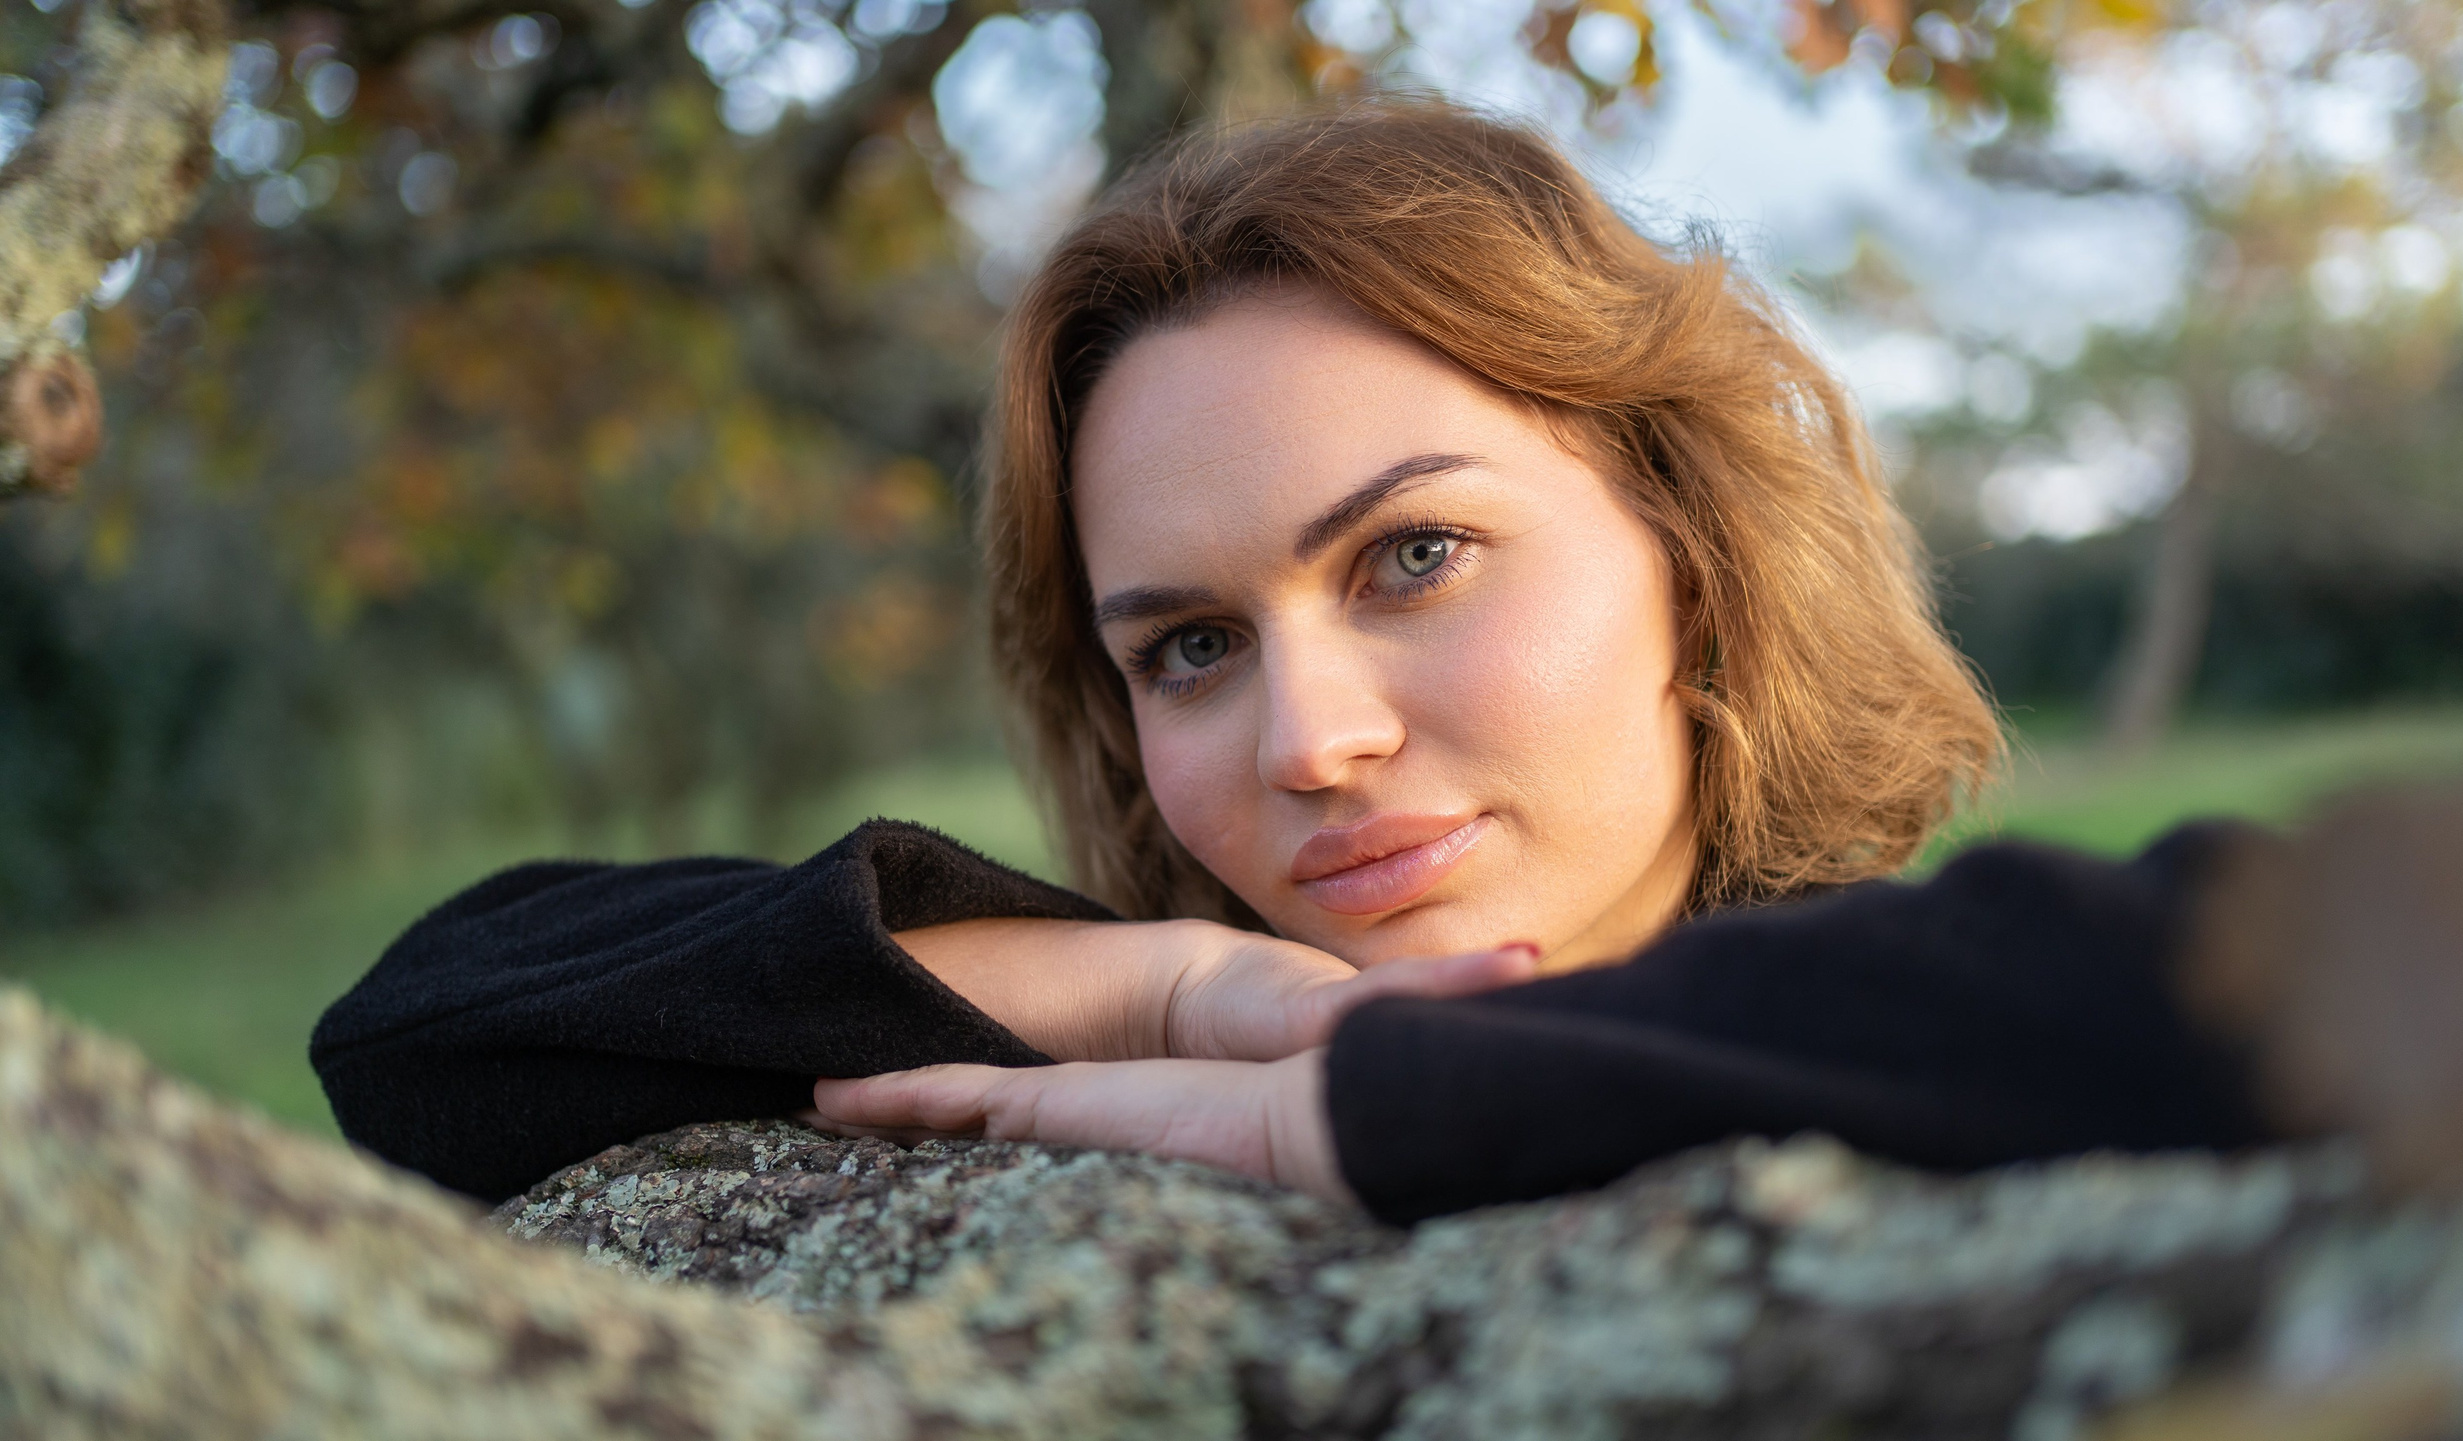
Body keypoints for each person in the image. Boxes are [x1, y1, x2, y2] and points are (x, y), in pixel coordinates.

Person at [312, 102, 2274, 1221]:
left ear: (1687, 552)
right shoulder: (1159, 1067)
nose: (1310, 739)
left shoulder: (1957, 1012)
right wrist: (1157, 979)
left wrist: (1426, 1095)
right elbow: (424, 1034)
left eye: (1414, 555)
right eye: (1183, 646)